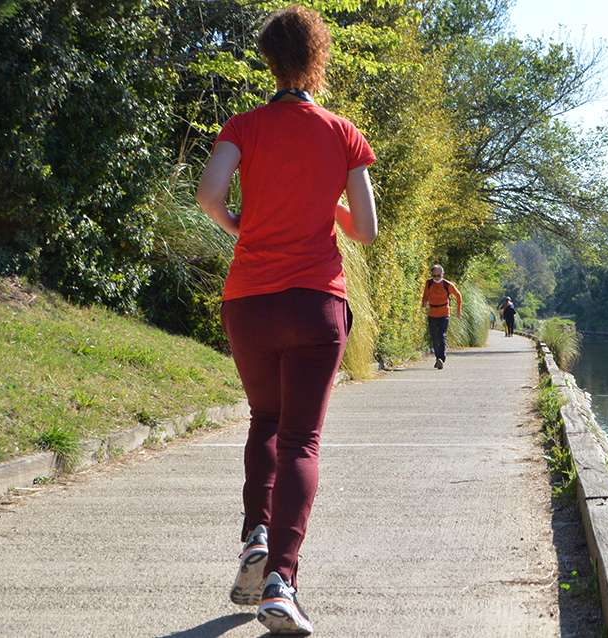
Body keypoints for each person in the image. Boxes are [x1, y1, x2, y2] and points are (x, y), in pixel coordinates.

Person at [195, 6, 377, 635]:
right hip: (315, 301)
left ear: (268, 60)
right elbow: (369, 229)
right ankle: (283, 581)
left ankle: (255, 537)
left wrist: (238, 226)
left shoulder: (241, 126)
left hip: (249, 300)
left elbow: (208, 195)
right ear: (318, 57)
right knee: (301, 439)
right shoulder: (343, 133)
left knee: (265, 422)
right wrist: (326, 207)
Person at [420, 264, 463, 369]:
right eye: (434, 275)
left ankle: (441, 358)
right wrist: (423, 305)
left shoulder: (447, 285)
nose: (436, 278)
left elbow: (458, 296)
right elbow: (425, 295)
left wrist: (458, 311)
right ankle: (437, 358)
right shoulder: (429, 283)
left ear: (442, 274)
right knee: (434, 336)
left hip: (444, 313)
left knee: (441, 335)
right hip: (432, 313)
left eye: (438, 275)